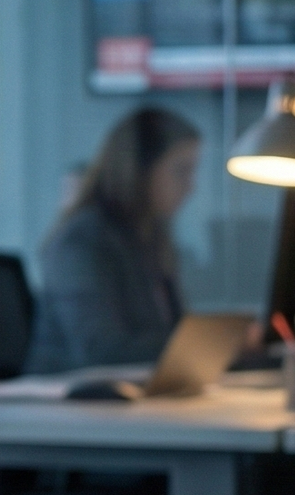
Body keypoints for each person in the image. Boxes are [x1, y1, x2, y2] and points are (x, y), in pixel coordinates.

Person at [25, 107, 202, 374]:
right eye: (181, 171)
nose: (191, 186)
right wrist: (199, 347)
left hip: (136, 390)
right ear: (140, 170)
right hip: (72, 394)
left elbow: (171, 333)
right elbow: (100, 350)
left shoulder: (150, 239)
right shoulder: (81, 241)